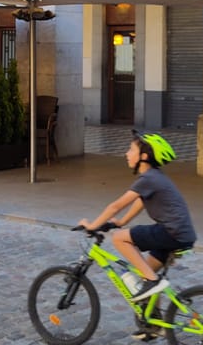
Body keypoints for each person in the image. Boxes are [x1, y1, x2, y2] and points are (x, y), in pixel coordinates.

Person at [78, 130, 196, 334]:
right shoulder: (154, 178)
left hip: (171, 232)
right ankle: (152, 325)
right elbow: (140, 201)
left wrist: (93, 225)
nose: (126, 153)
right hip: (181, 234)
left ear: (144, 156)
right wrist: (121, 221)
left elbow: (116, 205)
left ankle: (152, 282)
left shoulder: (148, 178)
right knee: (145, 271)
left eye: (131, 149)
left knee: (120, 239)